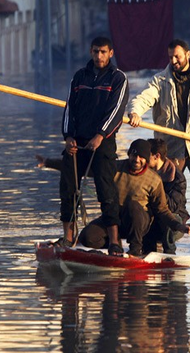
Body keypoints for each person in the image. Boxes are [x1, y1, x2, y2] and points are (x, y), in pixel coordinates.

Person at [128, 38, 190, 252]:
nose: (174, 61)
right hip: (171, 150)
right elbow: (145, 98)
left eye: (177, 56)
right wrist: (136, 111)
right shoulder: (160, 81)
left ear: (188, 55)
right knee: (161, 193)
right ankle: (156, 234)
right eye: (171, 57)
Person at [55, 36, 129, 256]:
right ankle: (68, 237)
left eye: (103, 52)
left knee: (107, 192)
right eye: (96, 52)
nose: (99, 56)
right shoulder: (79, 77)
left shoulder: (118, 78)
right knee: (68, 189)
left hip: (103, 144)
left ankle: (115, 242)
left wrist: (100, 135)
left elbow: (116, 111)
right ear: (90, 52)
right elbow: (70, 109)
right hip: (77, 142)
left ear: (111, 53)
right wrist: (68, 137)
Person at [78, 139, 190, 257]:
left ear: (147, 159)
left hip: (139, 223)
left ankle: (135, 249)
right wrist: (69, 164)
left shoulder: (154, 180)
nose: (137, 160)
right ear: (129, 155)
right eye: (134, 155)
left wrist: (179, 226)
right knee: (88, 237)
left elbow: (162, 210)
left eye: (141, 157)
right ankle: (116, 245)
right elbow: (92, 170)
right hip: (114, 219)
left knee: (133, 206)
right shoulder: (115, 168)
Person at [142, 138, 190, 254]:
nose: (143, 158)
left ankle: (170, 252)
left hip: (175, 223)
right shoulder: (144, 172)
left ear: (156, 156)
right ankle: (146, 251)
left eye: (146, 155)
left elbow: (173, 206)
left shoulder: (177, 177)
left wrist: (156, 186)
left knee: (170, 217)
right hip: (152, 221)